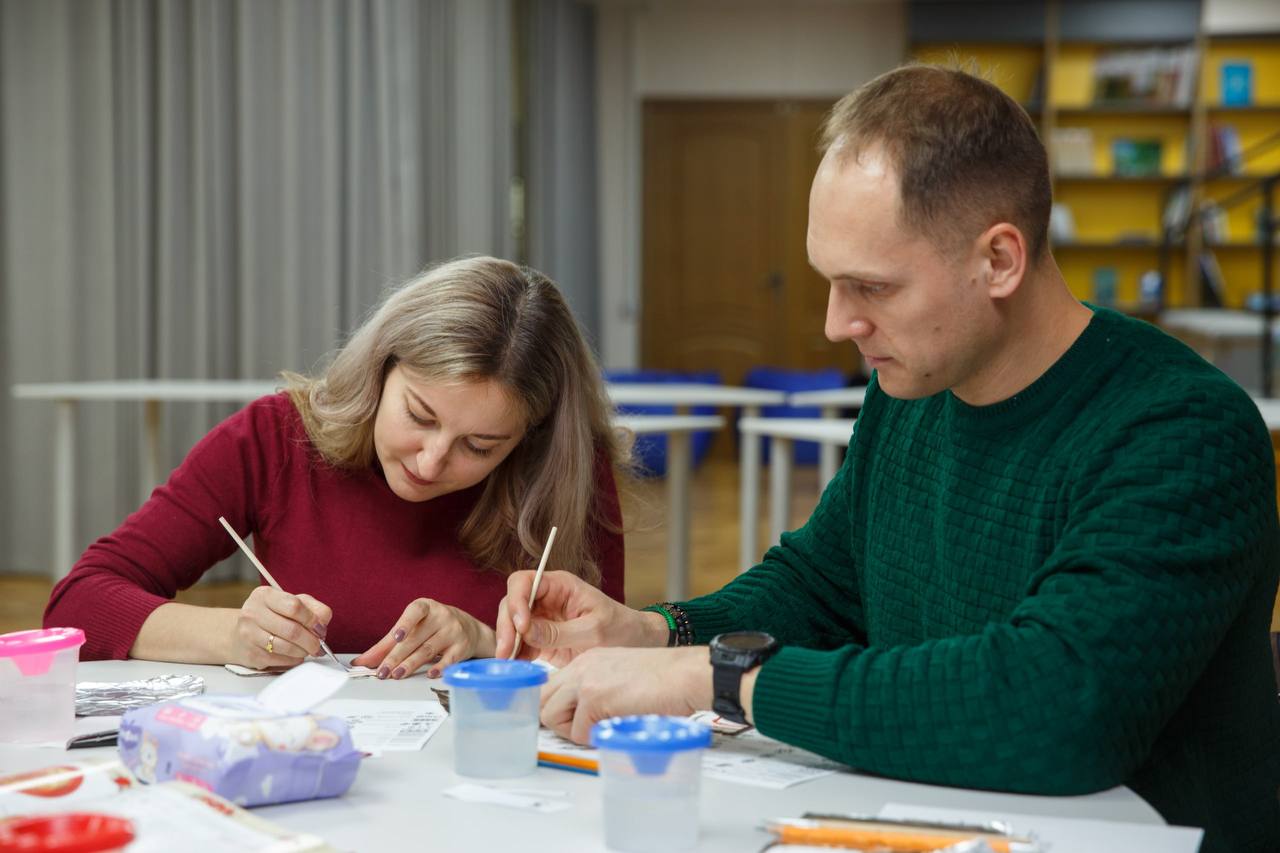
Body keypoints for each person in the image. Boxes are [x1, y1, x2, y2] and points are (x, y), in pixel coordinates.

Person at [494, 65, 1280, 852]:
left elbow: (1056, 706)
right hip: (952, 820)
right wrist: (654, 632)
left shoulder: (1182, 427)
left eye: (871, 286)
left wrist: (720, 679)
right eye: (832, 283)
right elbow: (825, 585)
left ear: (999, 259)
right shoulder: (916, 389)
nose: (839, 323)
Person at [45, 256, 627, 680]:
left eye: (479, 446)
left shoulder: (566, 473)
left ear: (528, 440)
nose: (430, 461)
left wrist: (480, 640)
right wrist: (234, 635)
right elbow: (78, 606)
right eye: (419, 415)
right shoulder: (274, 438)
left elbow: (601, 661)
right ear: (380, 370)